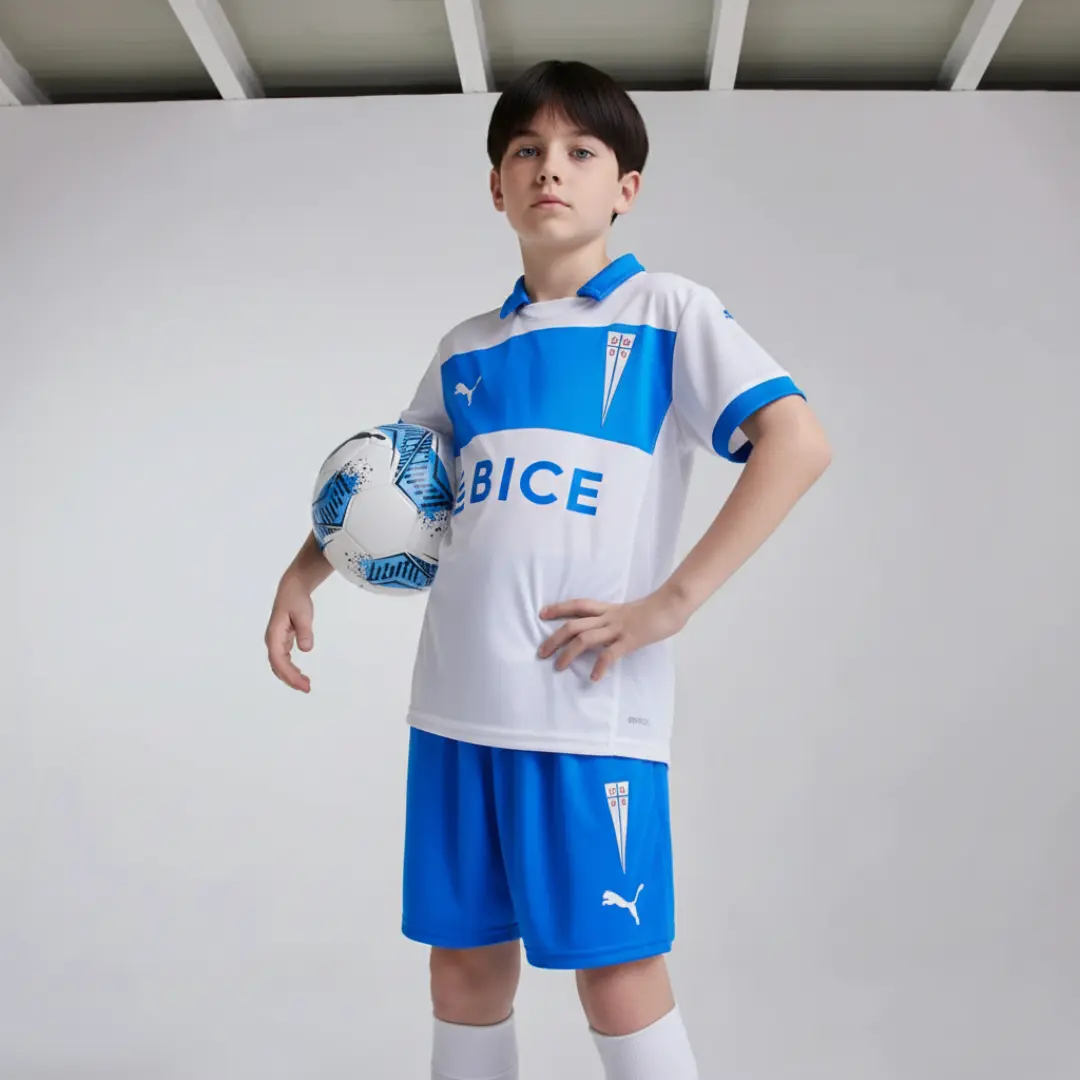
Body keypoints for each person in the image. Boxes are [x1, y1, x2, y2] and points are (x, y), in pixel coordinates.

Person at [266, 59, 831, 1080]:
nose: (549, 169)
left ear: (627, 188)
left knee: (617, 975)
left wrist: (673, 603)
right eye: (525, 150)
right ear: (496, 185)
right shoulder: (465, 348)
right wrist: (303, 573)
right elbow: (385, 481)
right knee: (464, 970)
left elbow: (797, 441)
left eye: (580, 151)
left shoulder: (666, 313)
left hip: (585, 715)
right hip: (453, 708)